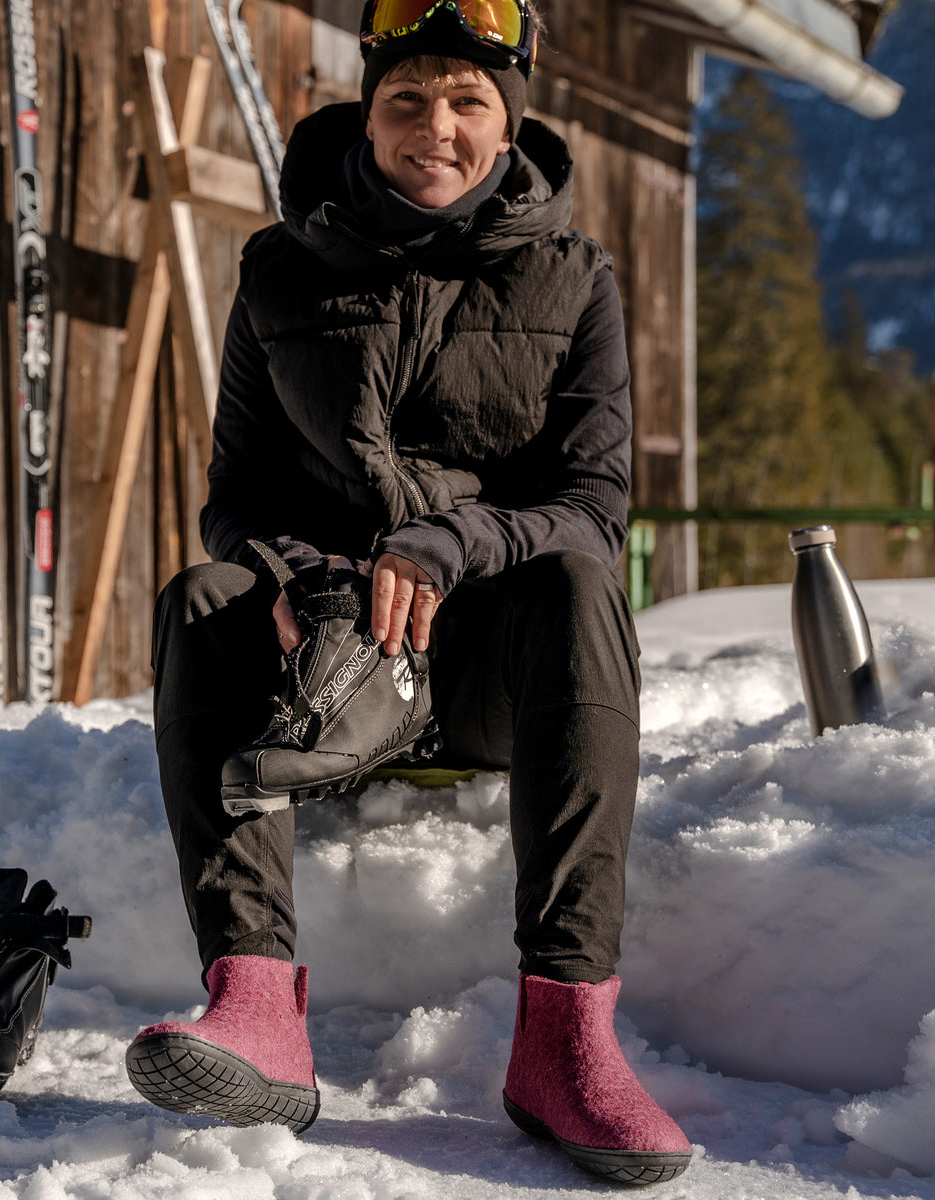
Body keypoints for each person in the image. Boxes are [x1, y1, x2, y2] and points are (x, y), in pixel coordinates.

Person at [126, 0, 692, 1184]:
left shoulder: (574, 279)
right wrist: (299, 573)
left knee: (581, 584)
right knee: (203, 595)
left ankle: (566, 1037)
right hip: (322, 672)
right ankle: (255, 1005)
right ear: (368, 113)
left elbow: (593, 505)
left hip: (493, 668)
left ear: (509, 123)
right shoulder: (280, 270)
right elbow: (235, 493)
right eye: (408, 99)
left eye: (468, 100)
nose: (436, 125)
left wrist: (450, 545)